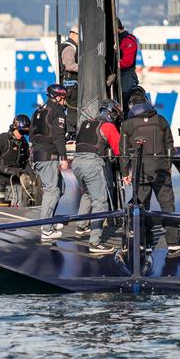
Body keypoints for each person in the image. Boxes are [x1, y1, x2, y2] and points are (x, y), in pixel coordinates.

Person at [119, 102, 180, 254]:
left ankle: (145, 242)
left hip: (140, 170)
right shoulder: (161, 120)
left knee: (141, 207)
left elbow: (123, 151)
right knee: (167, 205)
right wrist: (168, 164)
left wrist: (125, 173)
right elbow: (169, 144)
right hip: (161, 168)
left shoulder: (127, 125)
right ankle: (173, 241)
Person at [71, 99, 122, 254]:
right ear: (111, 113)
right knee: (100, 202)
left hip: (76, 162)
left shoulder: (86, 124)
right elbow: (119, 149)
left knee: (87, 193)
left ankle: (81, 226)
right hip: (91, 163)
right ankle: (95, 242)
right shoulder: (108, 126)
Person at [30, 83, 69, 241]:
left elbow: (32, 136)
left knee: (61, 187)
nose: (64, 101)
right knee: (52, 190)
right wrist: (63, 157)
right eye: (63, 98)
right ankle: (46, 229)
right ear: (57, 97)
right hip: (49, 155)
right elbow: (59, 135)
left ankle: (50, 219)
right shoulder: (57, 110)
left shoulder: (38, 111)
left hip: (38, 155)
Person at [0, 114, 31, 207]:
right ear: (14, 127)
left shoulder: (24, 143)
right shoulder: (1, 140)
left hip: (16, 184)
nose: (21, 135)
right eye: (20, 132)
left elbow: (25, 162)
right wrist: (6, 170)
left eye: (24, 133)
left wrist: (32, 174)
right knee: (0, 216)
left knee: (19, 212)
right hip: (0, 185)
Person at [114, 18, 139, 107]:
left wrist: (115, 64)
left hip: (127, 76)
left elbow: (127, 61)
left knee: (125, 101)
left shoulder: (128, 40)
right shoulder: (119, 40)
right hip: (120, 74)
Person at [59, 26, 79, 137]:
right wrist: (85, 68)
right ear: (75, 35)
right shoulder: (70, 48)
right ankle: (71, 132)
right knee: (72, 111)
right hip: (71, 86)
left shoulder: (66, 46)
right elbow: (69, 65)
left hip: (69, 86)